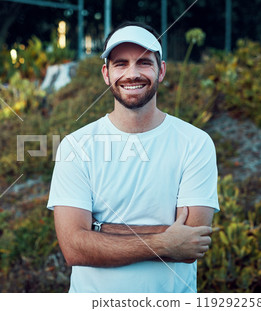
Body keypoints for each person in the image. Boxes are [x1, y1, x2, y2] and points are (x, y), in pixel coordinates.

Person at [46, 21, 219, 293]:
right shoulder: (76, 145)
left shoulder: (195, 143)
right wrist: (165, 242)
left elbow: (189, 245)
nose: (132, 73)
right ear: (106, 73)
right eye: (121, 63)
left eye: (144, 63)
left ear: (161, 70)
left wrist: (99, 230)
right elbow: (74, 248)